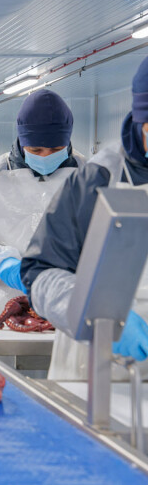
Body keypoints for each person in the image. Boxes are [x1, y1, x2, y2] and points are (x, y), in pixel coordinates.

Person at [21, 62, 148, 380]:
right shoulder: (98, 178)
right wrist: (99, 316)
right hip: (98, 369)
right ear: (140, 121)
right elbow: (40, 274)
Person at [0, 89, 85, 328]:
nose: (45, 156)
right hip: (0, 305)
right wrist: (3, 264)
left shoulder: (89, 174)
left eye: (56, 150)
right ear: (22, 141)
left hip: (68, 305)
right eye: (36, 150)